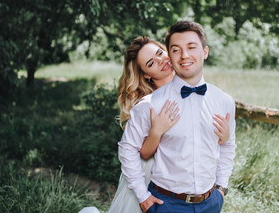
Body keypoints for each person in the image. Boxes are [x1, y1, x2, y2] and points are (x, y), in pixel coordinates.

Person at [79, 35, 230, 213]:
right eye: (151, 63)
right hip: (152, 176)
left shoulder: (197, 90)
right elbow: (143, 153)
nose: (161, 61)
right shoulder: (150, 105)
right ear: (146, 75)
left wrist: (224, 138)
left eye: (160, 53)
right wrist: (157, 131)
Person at [118, 21, 236, 213]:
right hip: (166, 204)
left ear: (205, 52)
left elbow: (228, 145)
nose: (184, 55)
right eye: (176, 50)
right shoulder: (150, 105)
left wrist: (221, 188)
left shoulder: (223, 101)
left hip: (210, 203)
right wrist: (143, 196)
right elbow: (131, 148)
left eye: (191, 47)